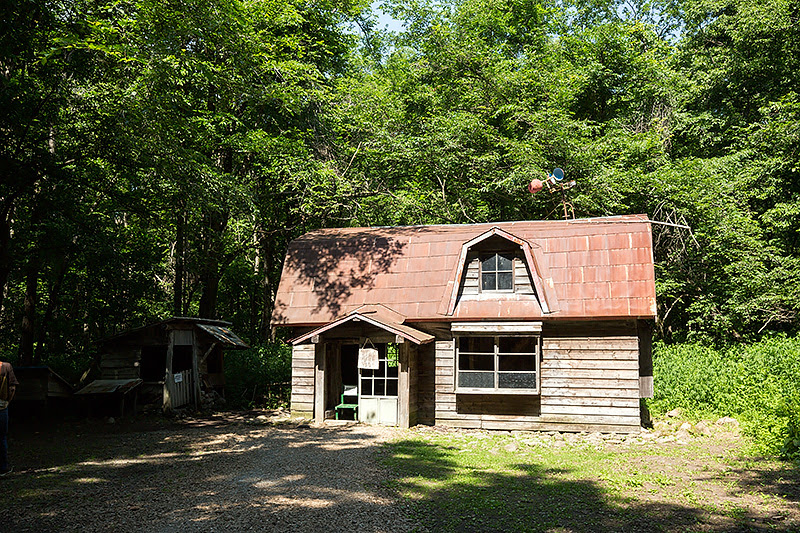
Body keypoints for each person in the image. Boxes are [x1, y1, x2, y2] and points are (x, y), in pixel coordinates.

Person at [0, 360, 18, 476]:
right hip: (1, 406)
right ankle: (2, 468)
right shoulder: (6, 367)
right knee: (1, 437)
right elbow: (12, 388)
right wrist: (7, 402)